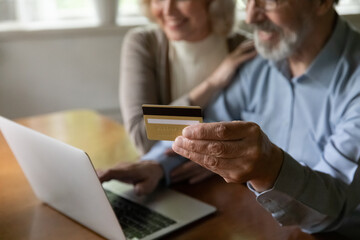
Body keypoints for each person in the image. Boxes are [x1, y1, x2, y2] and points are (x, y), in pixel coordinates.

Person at [100, 0, 360, 238]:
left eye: (268, 1)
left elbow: (332, 209)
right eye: (247, 1)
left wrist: (269, 168)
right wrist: (155, 165)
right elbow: (208, 124)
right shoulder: (257, 63)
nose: (250, 17)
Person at [115, 0, 256, 186]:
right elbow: (143, 138)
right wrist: (213, 83)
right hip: (160, 176)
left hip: (227, 182)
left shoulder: (245, 48)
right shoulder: (144, 43)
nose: (168, 10)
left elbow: (258, 139)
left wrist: (214, 158)